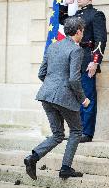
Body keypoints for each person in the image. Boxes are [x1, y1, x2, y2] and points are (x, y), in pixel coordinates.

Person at [24, 17, 90, 180]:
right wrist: (82, 99)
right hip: (64, 96)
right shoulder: (76, 50)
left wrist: (53, 86)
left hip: (46, 95)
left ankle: (32, 158)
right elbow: (74, 79)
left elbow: (41, 73)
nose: (83, 33)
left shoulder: (53, 46)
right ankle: (65, 168)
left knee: (58, 134)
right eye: (82, 30)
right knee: (76, 131)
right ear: (78, 31)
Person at [60, 0, 107, 143]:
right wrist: (64, 2)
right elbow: (61, 19)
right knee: (74, 97)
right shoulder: (74, 15)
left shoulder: (96, 14)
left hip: (87, 59)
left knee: (87, 95)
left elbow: (101, 40)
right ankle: (76, 131)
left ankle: (86, 133)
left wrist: (95, 61)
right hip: (72, 59)